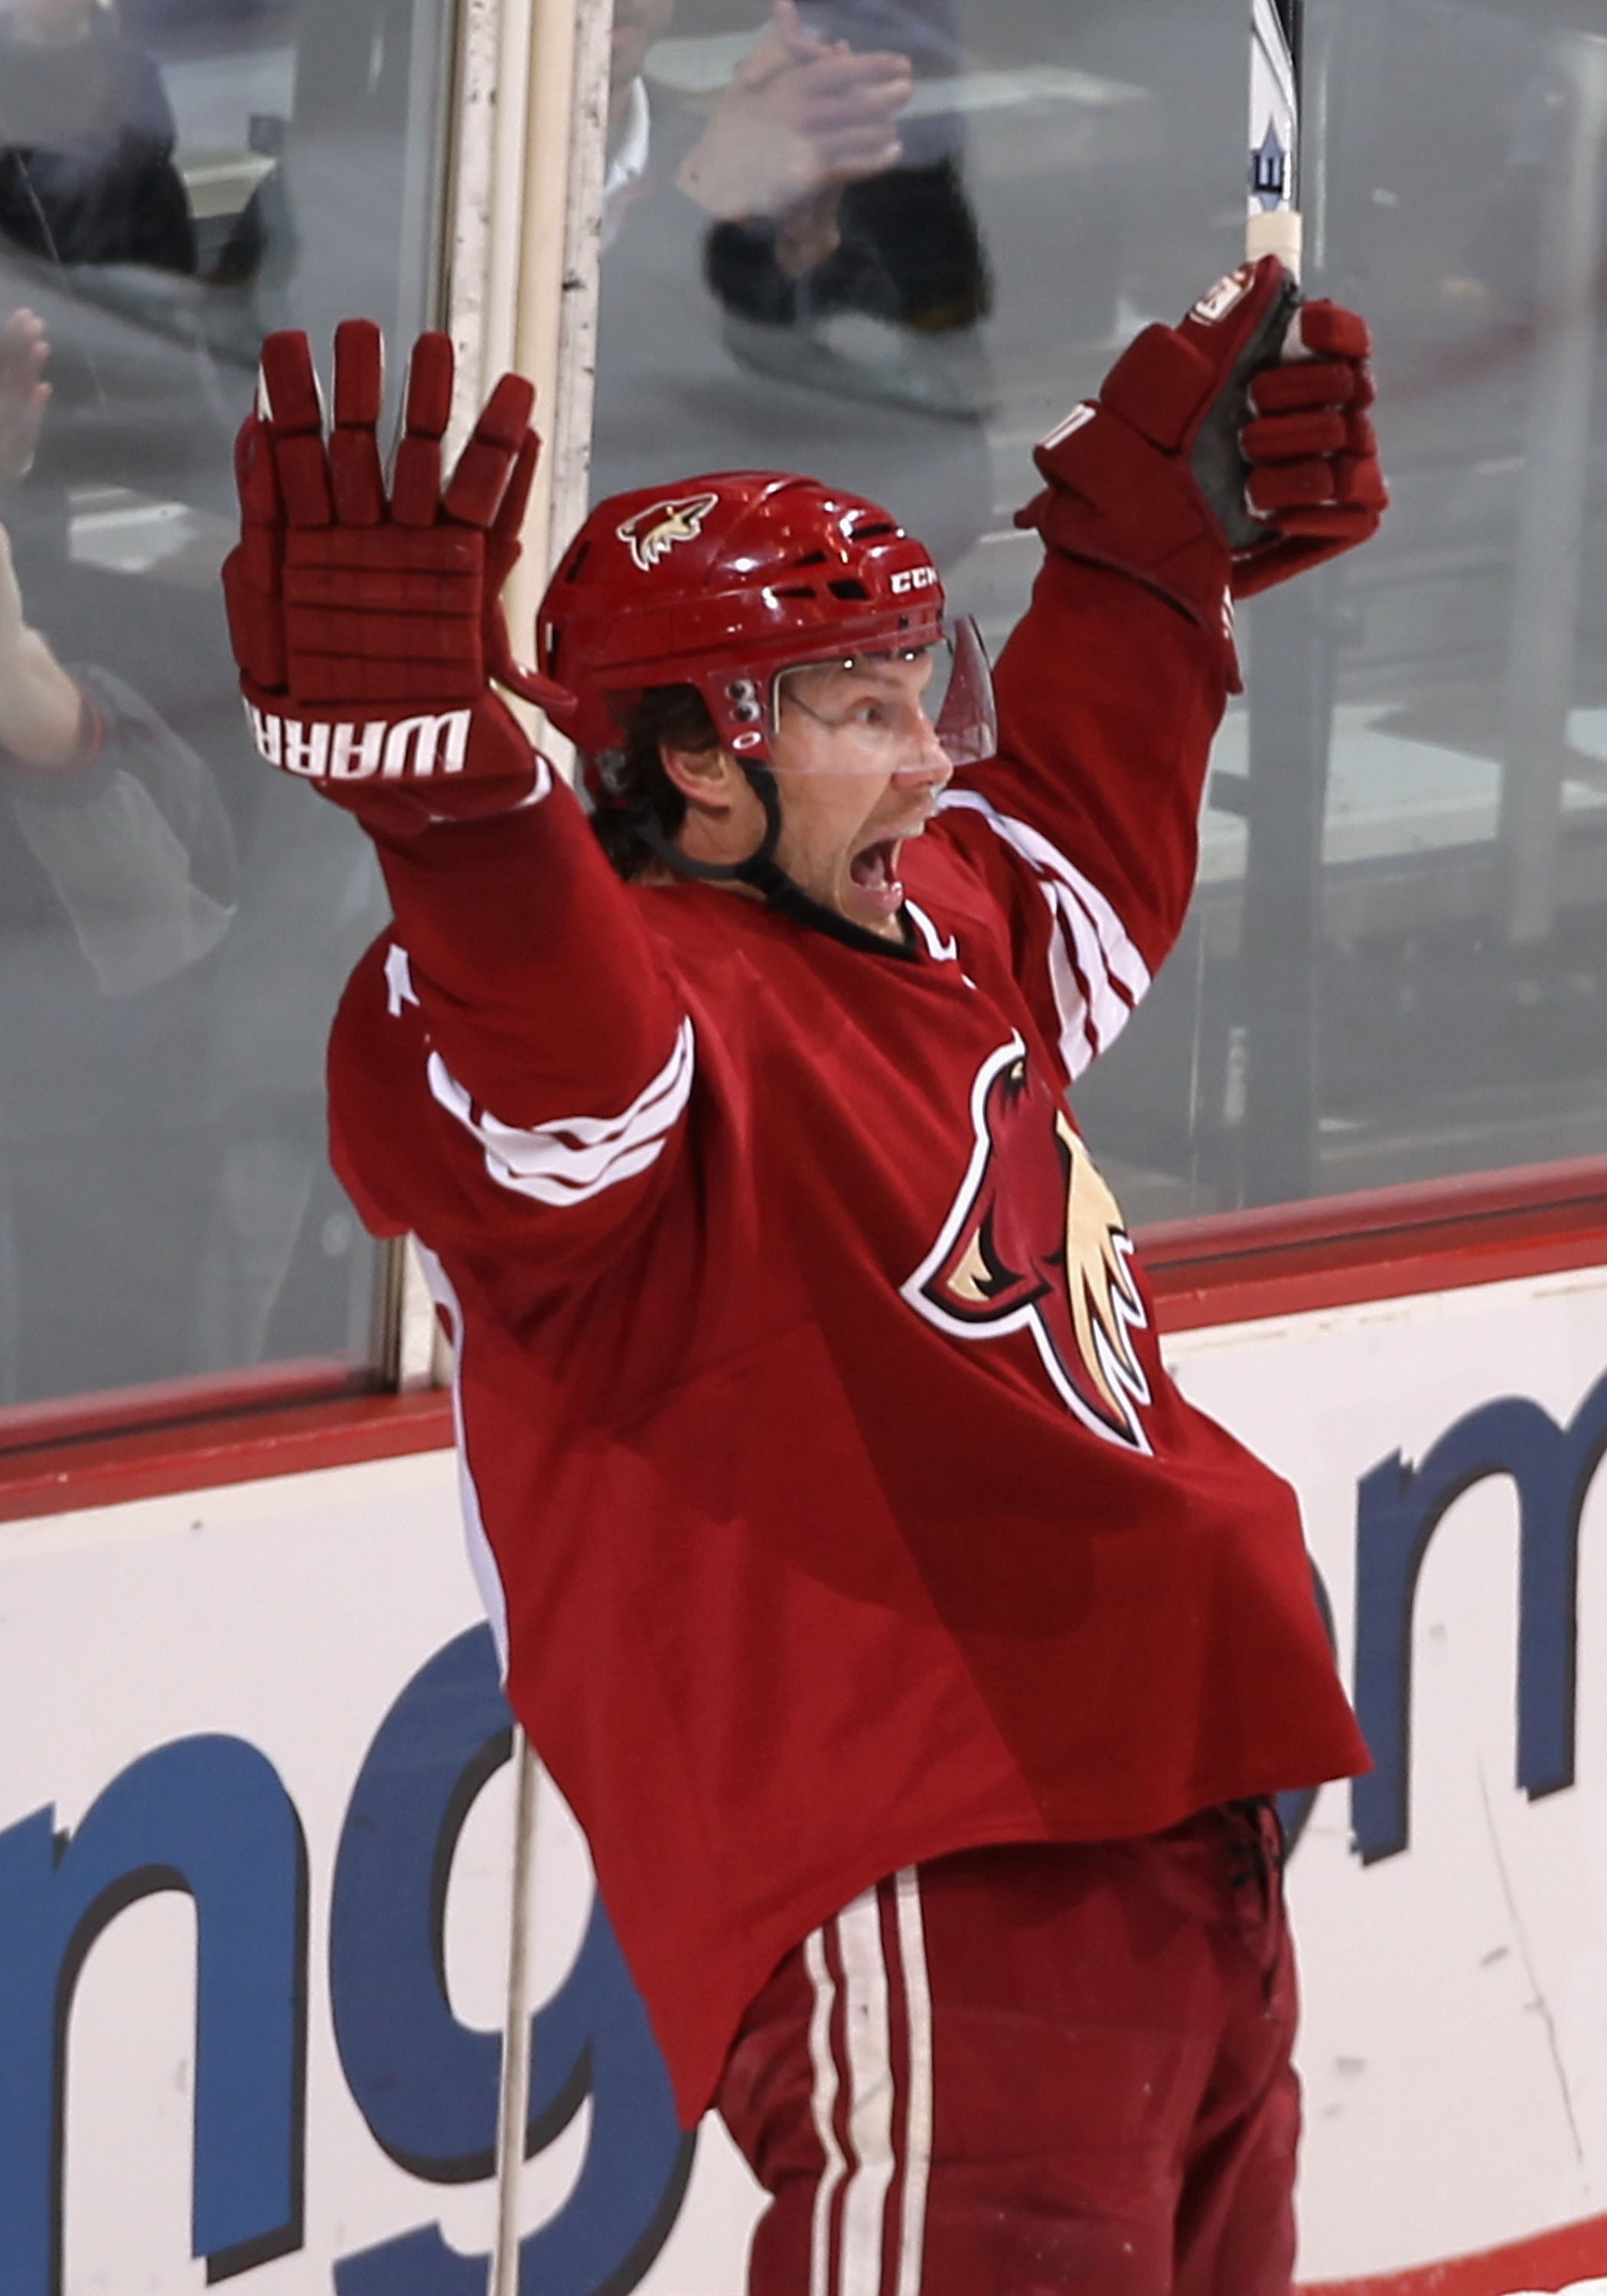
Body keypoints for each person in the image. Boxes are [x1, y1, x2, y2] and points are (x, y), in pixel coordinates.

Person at [222, 256, 1387, 2293]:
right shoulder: (635, 1014)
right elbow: (554, 1072)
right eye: (858, 708)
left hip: (1180, 1831)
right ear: (696, 766)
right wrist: (467, 809)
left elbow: (1079, 816)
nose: (927, 754)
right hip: (938, 1853)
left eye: (916, 686)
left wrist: (1157, 525)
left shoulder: (927, 930)